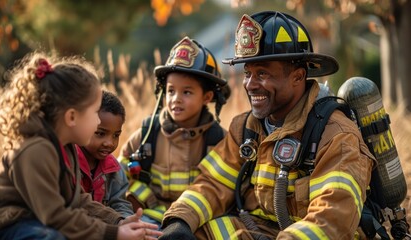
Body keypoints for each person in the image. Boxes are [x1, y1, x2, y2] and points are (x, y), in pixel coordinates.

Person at [159, 11, 375, 239]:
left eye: (262, 73)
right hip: (260, 229)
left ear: (298, 77)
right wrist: (179, 221)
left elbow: (330, 221)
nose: (250, 85)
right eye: (247, 73)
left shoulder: (336, 136)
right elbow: (213, 184)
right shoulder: (245, 128)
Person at [0, 52, 162, 240]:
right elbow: (55, 216)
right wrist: (113, 234)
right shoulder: (35, 151)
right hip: (5, 225)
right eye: (94, 113)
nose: (97, 120)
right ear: (72, 117)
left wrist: (117, 221)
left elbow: (78, 201)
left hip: (35, 221)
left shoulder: (65, 148)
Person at [118, 36, 229, 227]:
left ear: (207, 97)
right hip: (149, 218)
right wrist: (147, 201)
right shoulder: (147, 134)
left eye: (186, 92)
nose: (175, 99)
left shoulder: (219, 141)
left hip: (197, 223)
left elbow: (225, 190)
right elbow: (119, 174)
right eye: (170, 91)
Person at [76, 90, 134, 218]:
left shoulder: (114, 170)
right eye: (101, 133)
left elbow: (120, 203)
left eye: (116, 135)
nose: (109, 143)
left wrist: (127, 222)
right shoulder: (69, 161)